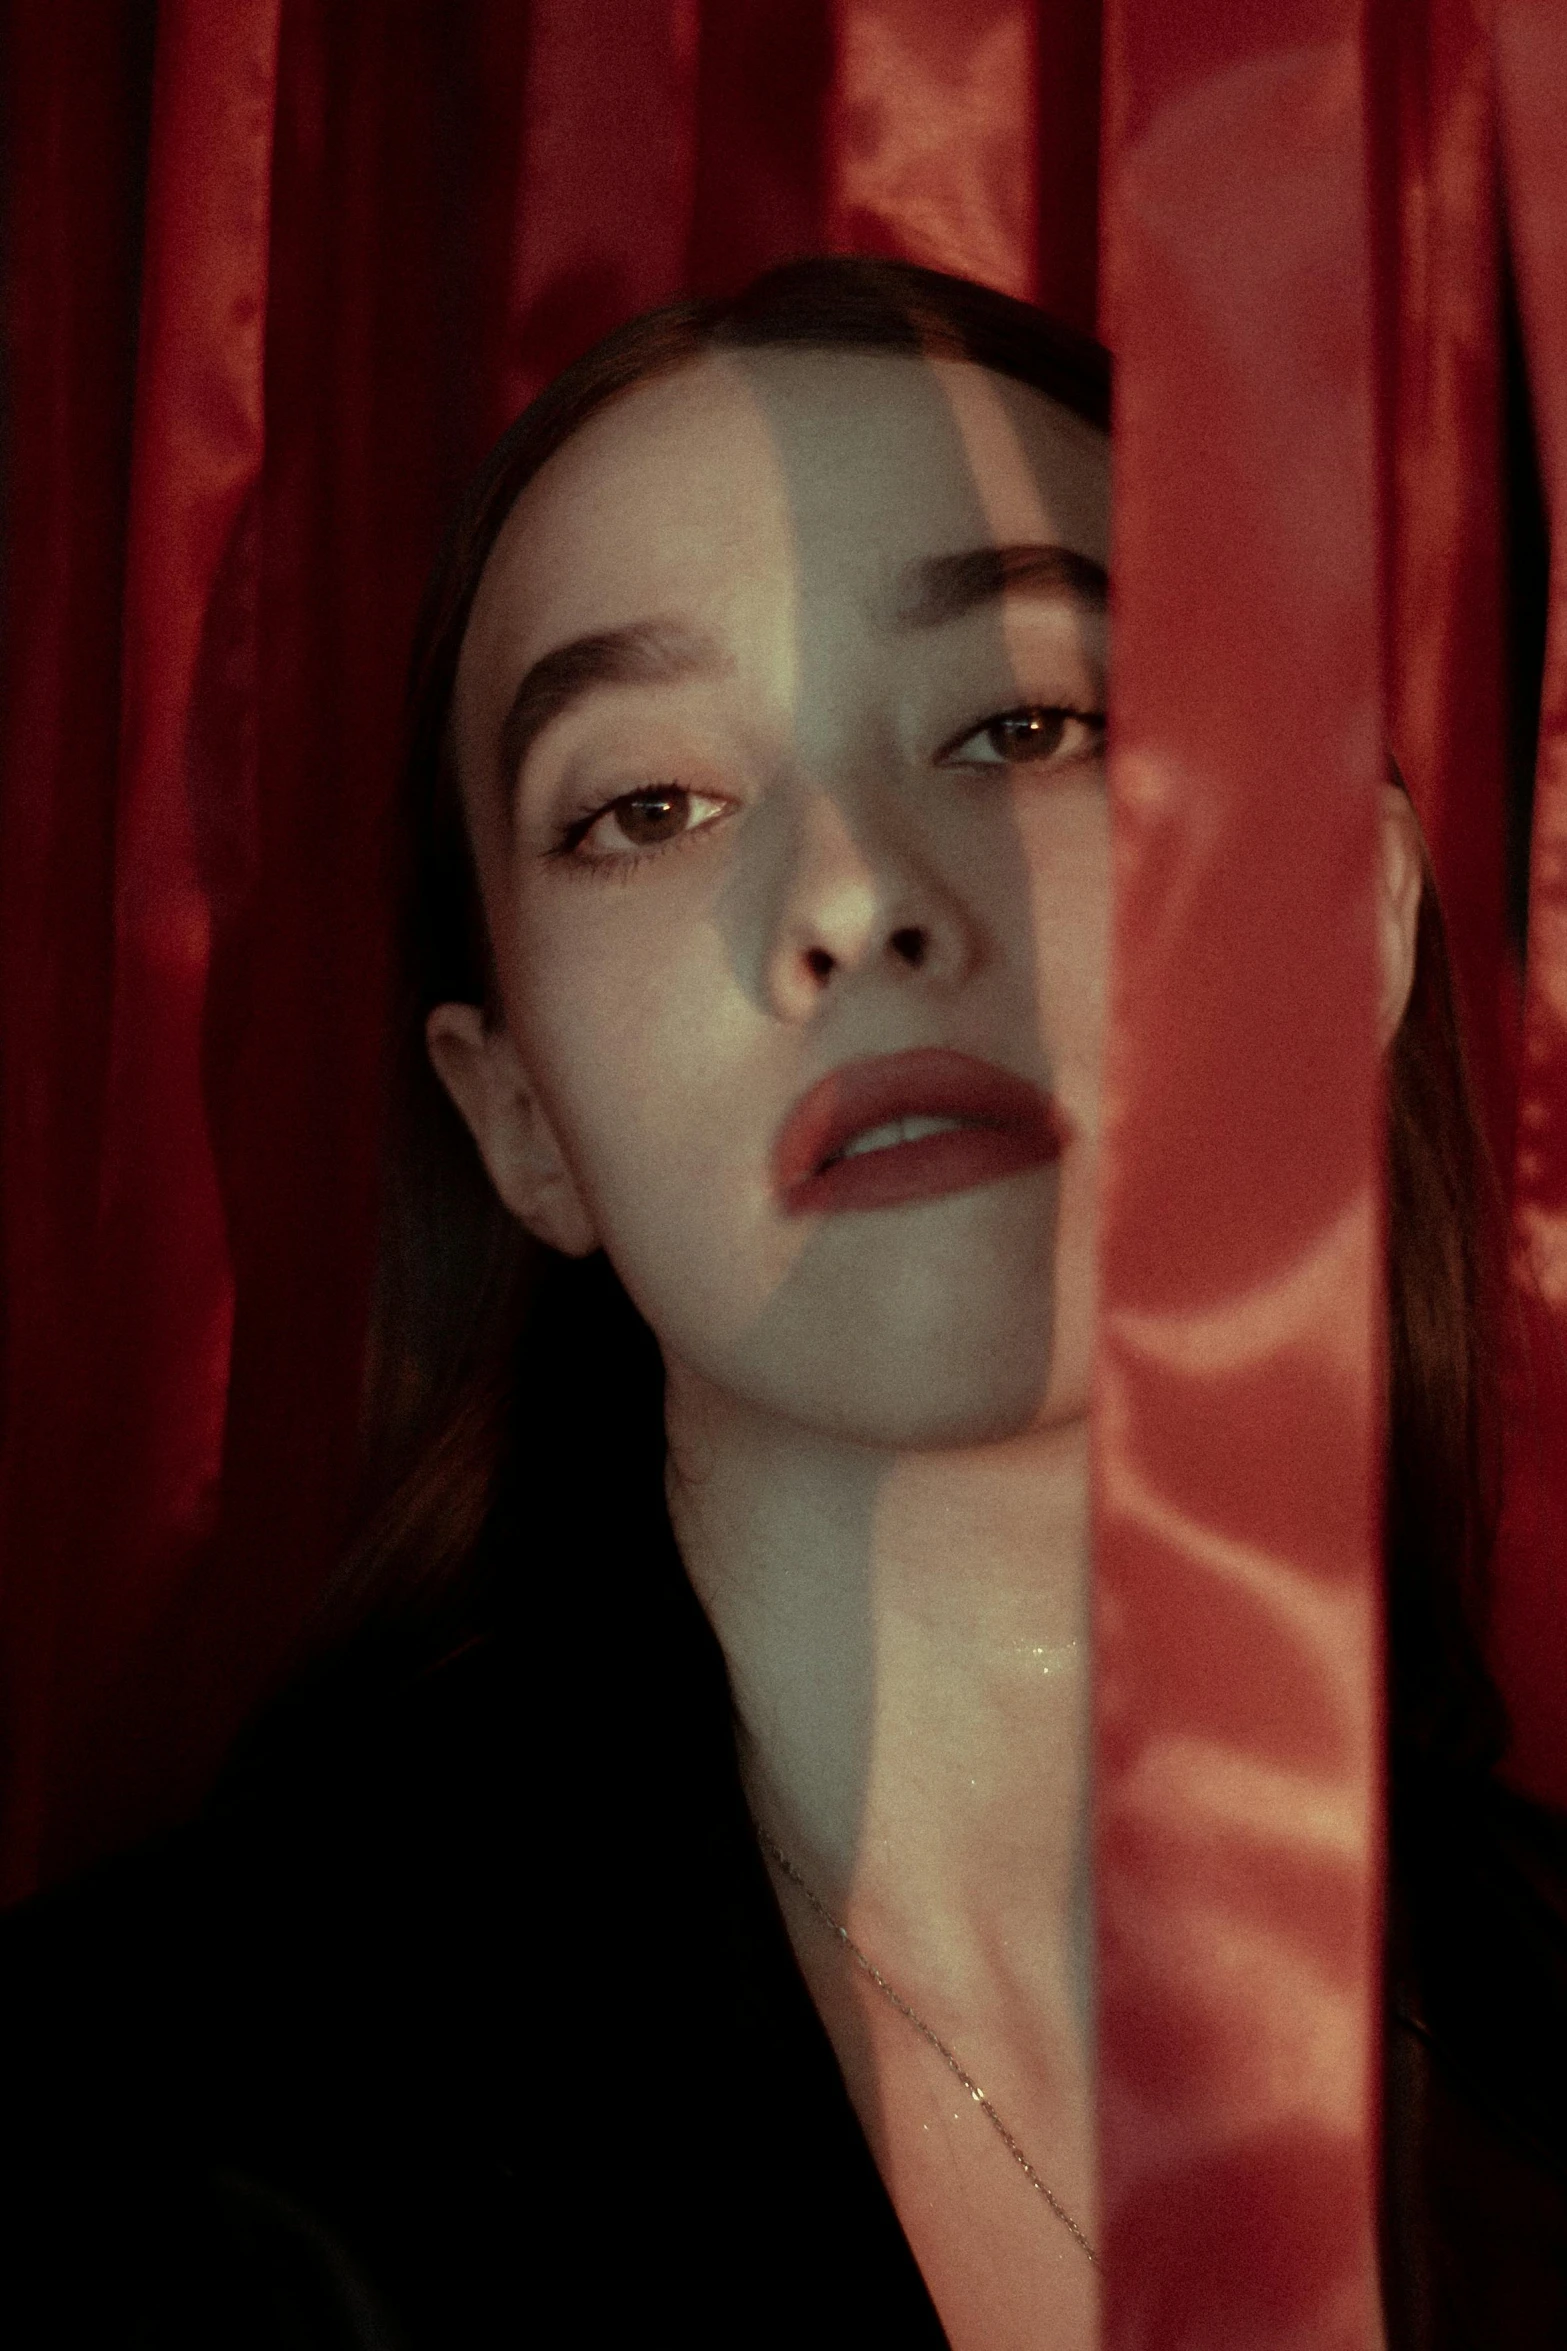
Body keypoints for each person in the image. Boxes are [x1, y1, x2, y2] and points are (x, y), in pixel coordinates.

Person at [2, 258, 1563, 2350]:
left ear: (1345, 922)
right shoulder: (121, 2147)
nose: (852, 892)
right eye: (645, 804)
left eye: (1027, 720)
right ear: (520, 1115)